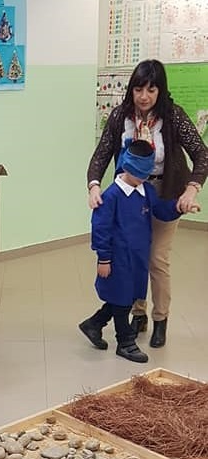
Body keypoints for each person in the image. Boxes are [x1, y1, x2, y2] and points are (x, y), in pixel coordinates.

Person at [87, 59, 207, 348]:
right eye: (139, 89)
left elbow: (202, 154)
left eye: (151, 90)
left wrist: (191, 190)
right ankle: (137, 314)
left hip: (165, 194)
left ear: (160, 91)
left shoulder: (173, 116)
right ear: (131, 89)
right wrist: (94, 185)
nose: (144, 96)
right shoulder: (120, 116)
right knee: (133, 254)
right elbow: (101, 154)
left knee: (156, 259)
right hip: (130, 194)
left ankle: (160, 318)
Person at [79, 140, 197, 363]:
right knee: (122, 300)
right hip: (118, 258)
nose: (144, 179)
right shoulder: (110, 196)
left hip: (138, 257)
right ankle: (125, 343)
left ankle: (94, 324)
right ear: (127, 168)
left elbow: (161, 211)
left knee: (128, 296)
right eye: (140, 175)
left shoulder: (146, 191)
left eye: (146, 175)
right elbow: (100, 229)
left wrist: (179, 206)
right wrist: (104, 258)